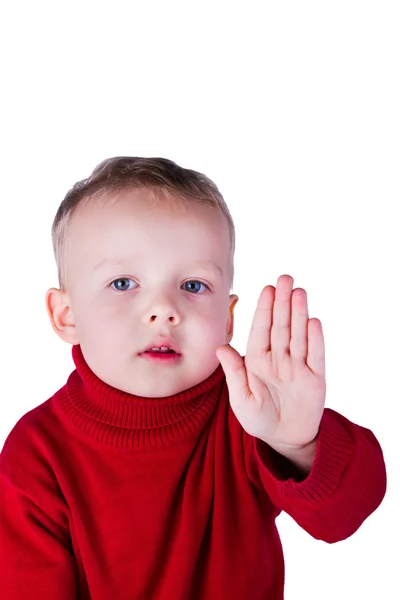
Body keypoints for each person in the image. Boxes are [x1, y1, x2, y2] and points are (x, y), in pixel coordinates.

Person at [0, 156, 386, 599]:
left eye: (194, 286)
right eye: (123, 283)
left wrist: (298, 444)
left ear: (227, 319)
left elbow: (344, 518)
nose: (163, 309)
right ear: (66, 315)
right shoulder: (36, 455)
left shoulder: (251, 412)